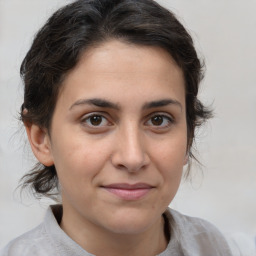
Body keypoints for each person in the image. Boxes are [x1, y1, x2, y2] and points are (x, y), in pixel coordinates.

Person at [0, 0, 236, 255]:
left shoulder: (219, 248)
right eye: (95, 120)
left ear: (188, 136)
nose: (132, 158)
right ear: (41, 139)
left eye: (158, 120)